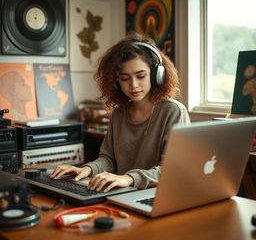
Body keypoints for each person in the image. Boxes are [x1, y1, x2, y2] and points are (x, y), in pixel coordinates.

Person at [51, 32, 191, 192]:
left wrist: (128, 178)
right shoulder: (119, 114)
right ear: (116, 82)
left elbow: (171, 170)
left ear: (156, 75)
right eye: (124, 79)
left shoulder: (173, 112)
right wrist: (87, 169)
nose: (133, 85)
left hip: (156, 196)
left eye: (141, 76)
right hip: (123, 194)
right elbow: (109, 158)